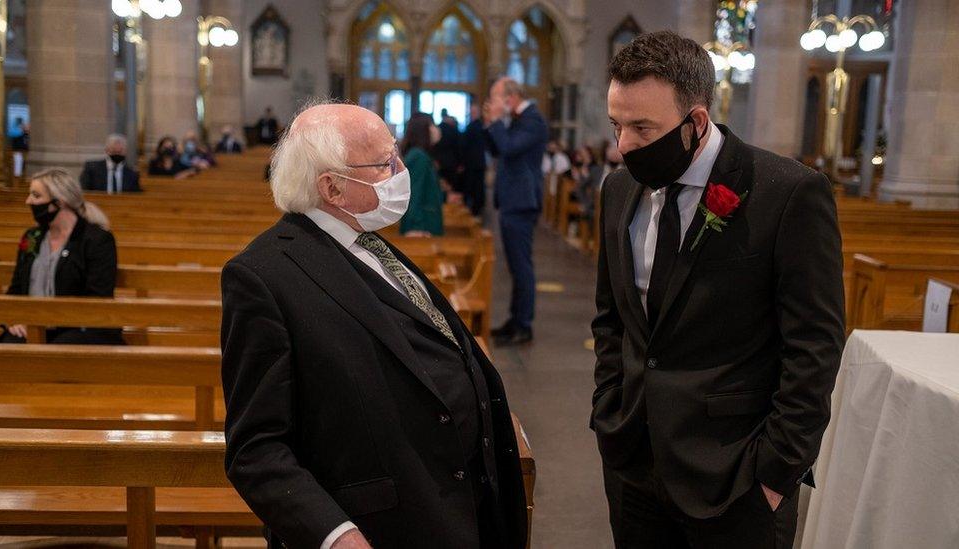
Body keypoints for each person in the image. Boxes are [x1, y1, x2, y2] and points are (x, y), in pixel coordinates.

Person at [221, 101, 528, 549]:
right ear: (333, 188)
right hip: (378, 531)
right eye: (385, 163)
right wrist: (335, 535)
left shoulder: (369, 244)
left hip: (454, 512)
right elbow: (256, 447)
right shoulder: (264, 275)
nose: (401, 171)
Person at [591, 31, 845, 548]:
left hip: (735, 472)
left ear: (697, 122)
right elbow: (612, 316)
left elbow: (814, 345)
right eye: (617, 125)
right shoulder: (619, 188)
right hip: (634, 458)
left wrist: (776, 473)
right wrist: (609, 409)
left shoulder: (787, 193)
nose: (624, 146)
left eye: (643, 127)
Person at [0, 168, 124, 345]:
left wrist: (51, 320)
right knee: (1, 352)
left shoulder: (96, 240)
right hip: (32, 327)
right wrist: (13, 320)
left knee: (57, 351)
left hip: (82, 328)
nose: (28, 201)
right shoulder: (32, 237)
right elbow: (16, 290)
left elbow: (98, 298)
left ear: (60, 202)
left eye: (36, 195)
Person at [484, 77, 548, 346]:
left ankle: (524, 325)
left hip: (522, 201)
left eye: (496, 98)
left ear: (510, 98)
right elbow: (496, 149)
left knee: (522, 266)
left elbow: (509, 148)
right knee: (514, 265)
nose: (493, 103)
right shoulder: (518, 120)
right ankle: (514, 320)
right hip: (512, 200)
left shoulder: (533, 120)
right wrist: (490, 124)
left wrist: (498, 122)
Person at [399, 112, 444, 237]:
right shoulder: (419, 156)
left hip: (426, 225)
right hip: (421, 228)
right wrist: (416, 227)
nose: (436, 129)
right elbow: (414, 194)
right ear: (423, 130)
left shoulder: (420, 154)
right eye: (432, 125)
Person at [461, 104, 488, 217]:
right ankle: (477, 209)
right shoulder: (482, 126)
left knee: (472, 187)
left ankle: (472, 211)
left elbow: (464, 145)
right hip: (479, 162)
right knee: (478, 188)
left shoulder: (472, 127)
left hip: (471, 163)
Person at [432, 111, 462, 196]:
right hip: (452, 161)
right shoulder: (453, 129)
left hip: (439, 161)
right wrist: (459, 162)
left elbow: (434, 147)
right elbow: (457, 147)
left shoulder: (438, 128)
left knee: (440, 184)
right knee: (451, 186)